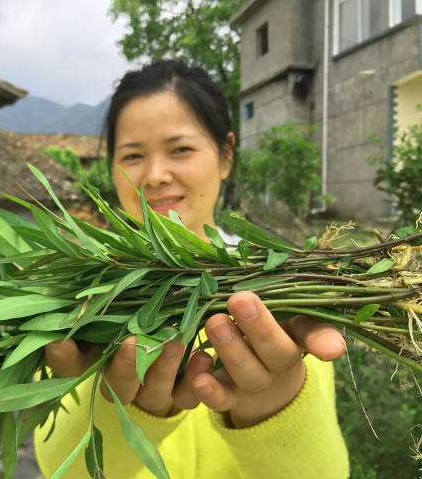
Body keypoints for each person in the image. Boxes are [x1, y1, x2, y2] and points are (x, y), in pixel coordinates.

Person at [34, 60, 349, 478]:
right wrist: (119, 412)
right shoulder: (85, 294)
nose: (156, 175)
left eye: (180, 149)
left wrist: (275, 408)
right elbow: (63, 468)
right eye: (132, 156)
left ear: (225, 156)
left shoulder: (283, 292)